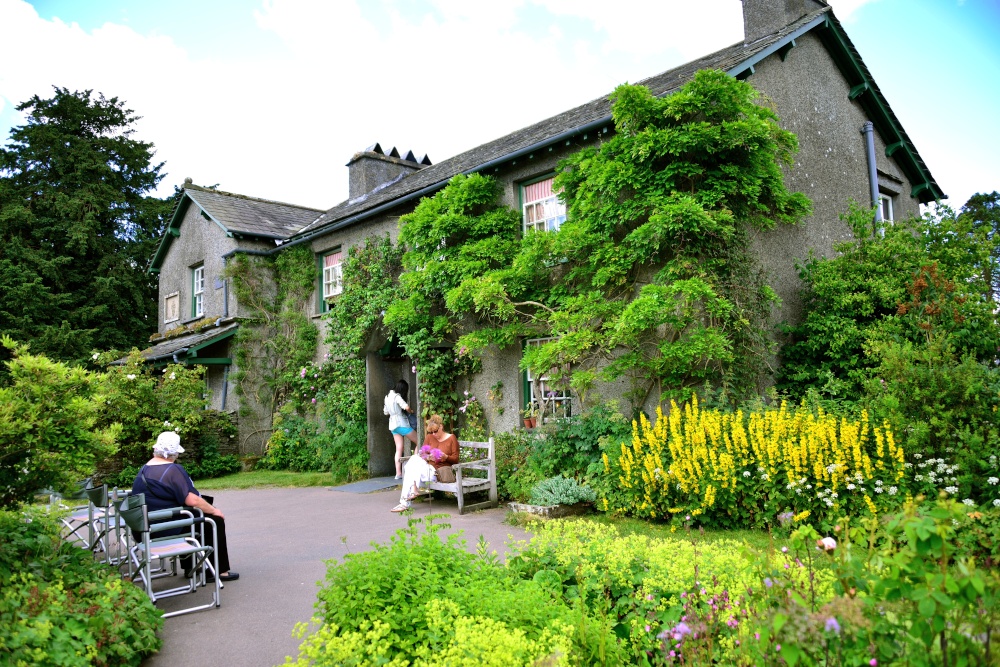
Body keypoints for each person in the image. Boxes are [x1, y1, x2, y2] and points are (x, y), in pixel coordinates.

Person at [131, 431, 239, 581]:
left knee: (190, 518)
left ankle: (191, 567)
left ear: (156, 449)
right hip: (162, 528)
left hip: (143, 528)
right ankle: (219, 571)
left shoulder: (145, 469)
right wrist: (215, 510)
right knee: (213, 521)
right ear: (175, 453)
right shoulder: (172, 470)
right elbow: (192, 500)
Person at [390, 414, 459, 513]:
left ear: (441, 426)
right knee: (414, 459)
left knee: (411, 468)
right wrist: (428, 457)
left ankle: (407, 498)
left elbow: (456, 459)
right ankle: (409, 496)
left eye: (435, 431)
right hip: (426, 468)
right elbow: (422, 454)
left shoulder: (451, 438)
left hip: (437, 473)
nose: (434, 434)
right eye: (431, 432)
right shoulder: (430, 437)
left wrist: (446, 457)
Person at [384, 379, 418, 479]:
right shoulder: (397, 396)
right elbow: (406, 407)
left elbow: (386, 412)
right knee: (420, 441)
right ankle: (413, 466)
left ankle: (398, 474)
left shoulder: (387, 397)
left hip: (392, 426)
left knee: (398, 448)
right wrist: (411, 411)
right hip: (401, 424)